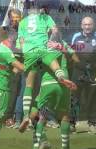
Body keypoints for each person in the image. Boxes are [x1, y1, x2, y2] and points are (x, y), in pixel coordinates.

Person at [17, 2, 77, 132]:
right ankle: (61, 76)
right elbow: (55, 31)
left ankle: (26, 116)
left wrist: (26, 53)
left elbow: (21, 42)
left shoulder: (22, 23)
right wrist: (52, 39)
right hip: (43, 50)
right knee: (54, 65)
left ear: (27, 10)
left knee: (29, 86)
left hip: (30, 53)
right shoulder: (45, 17)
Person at [27, 36, 79, 149]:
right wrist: (65, 57)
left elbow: (36, 64)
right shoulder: (63, 43)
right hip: (64, 83)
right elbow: (76, 59)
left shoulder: (40, 44)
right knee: (64, 115)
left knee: (39, 115)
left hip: (48, 83)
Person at [70, 16, 96, 134]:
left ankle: (92, 124)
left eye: (89, 25)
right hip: (78, 71)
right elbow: (71, 53)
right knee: (74, 98)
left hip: (92, 72)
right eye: (85, 24)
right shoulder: (75, 37)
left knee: (92, 98)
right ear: (81, 25)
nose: (87, 27)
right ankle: (72, 124)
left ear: (93, 25)